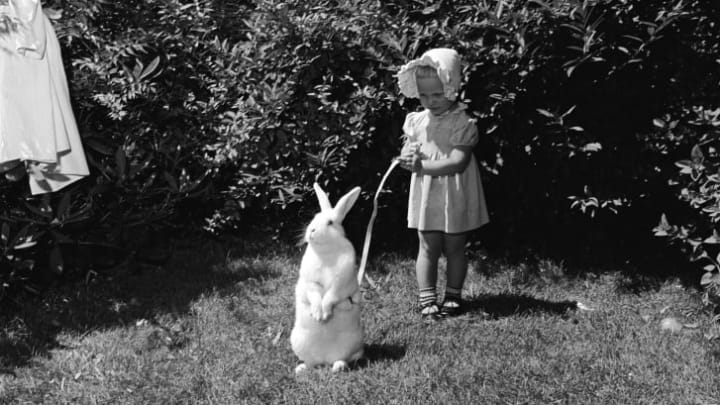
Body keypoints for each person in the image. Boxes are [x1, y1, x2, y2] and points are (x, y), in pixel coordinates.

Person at [395, 48, 489, 321]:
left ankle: (453, 295)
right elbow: (409, 148)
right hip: (427, 194)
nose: (430, 101)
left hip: (454, 192)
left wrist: (422, 166)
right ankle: (427, 298)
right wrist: (408, 155)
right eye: (424, 95)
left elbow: (458, 162)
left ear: (452, 87)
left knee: (455, 246)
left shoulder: (463, 122)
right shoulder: (417, 121)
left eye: (437, 94)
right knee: (427, 245)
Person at [0, 0, 89, 194]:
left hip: (22, 30)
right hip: (15, 28)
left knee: (32, 110)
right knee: (16, 111)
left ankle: (33, 173)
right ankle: (21, 162)